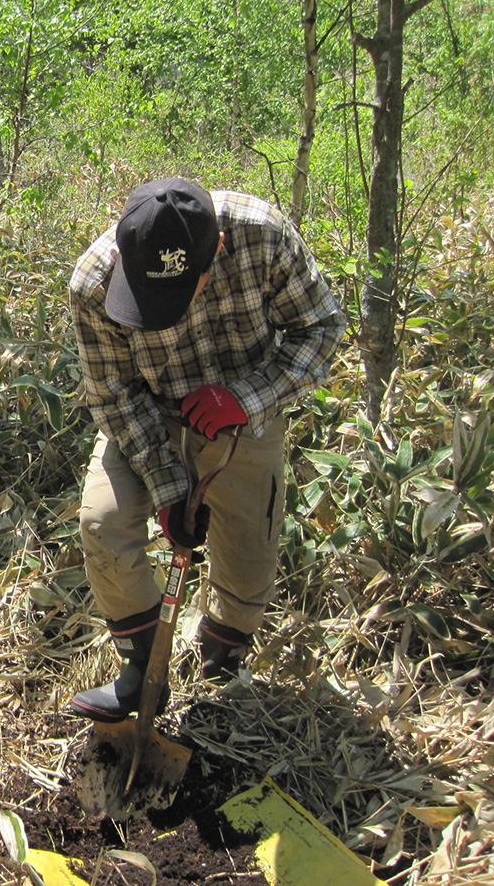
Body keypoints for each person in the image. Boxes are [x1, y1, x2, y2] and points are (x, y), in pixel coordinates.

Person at [67, 178, 346, 722]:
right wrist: (169, 488)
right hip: (150, 415)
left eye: (175, 294)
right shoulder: (94, 282)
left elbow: (321, 329)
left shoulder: (262, 236)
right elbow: (113, 396)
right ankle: (144, 671)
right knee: (103, 522)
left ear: (215, 250)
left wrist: (245, 399)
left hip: (246, 414)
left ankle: (220, 671)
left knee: (247, 565)